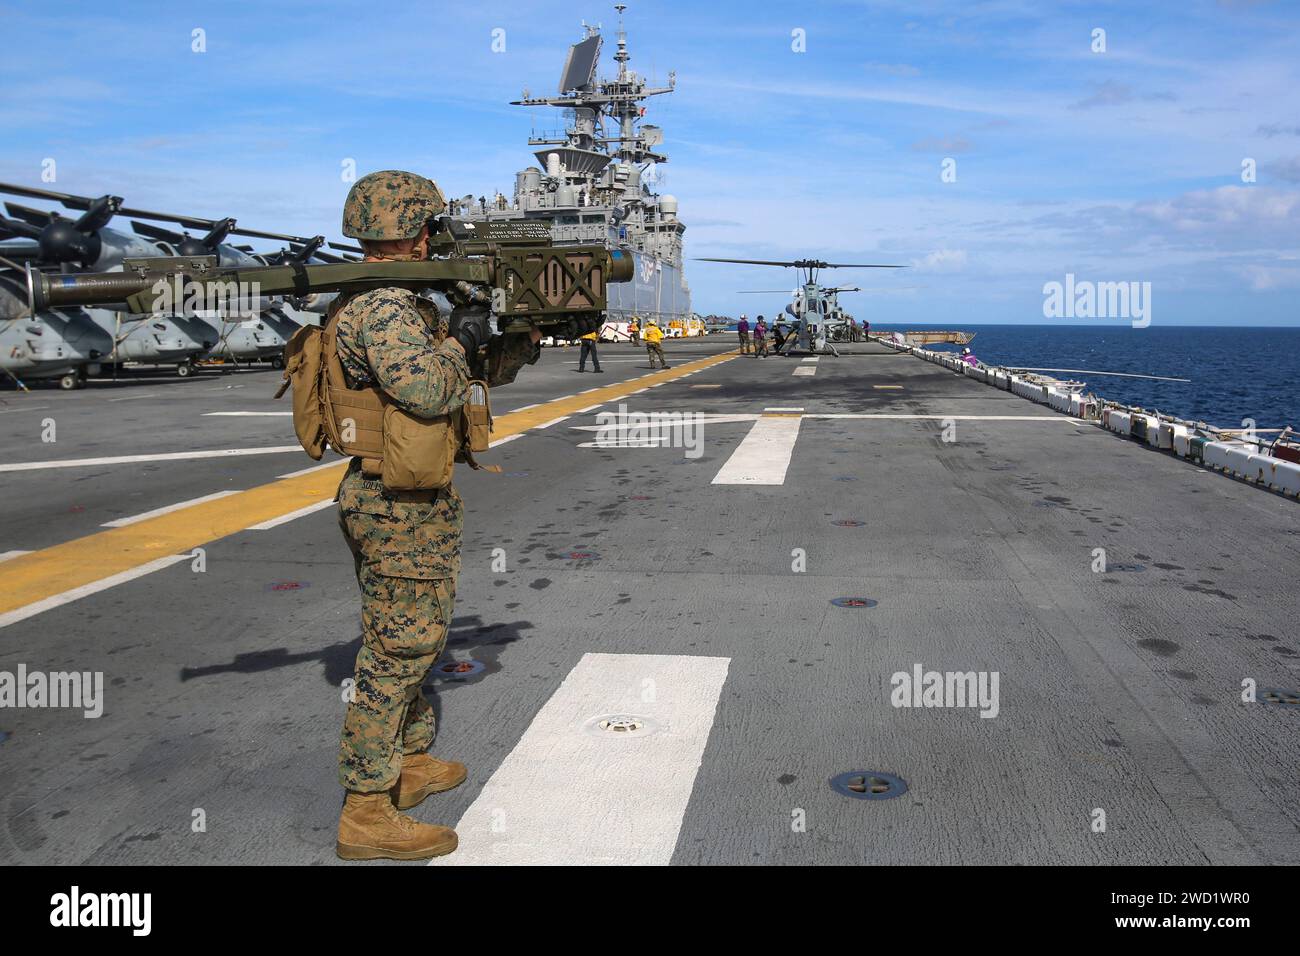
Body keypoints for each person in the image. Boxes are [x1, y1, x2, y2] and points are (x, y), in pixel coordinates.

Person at [331, 170, 542, 861]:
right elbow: (426, 390)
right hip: (395, 503)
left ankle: (409, 766)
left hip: (407, 496)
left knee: (416, 638)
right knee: (397, 652)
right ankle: (366, 810)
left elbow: (465, 380)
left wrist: (512, 336)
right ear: (420, 228)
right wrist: (461, 337)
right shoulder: (385, 308)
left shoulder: (390, 301)